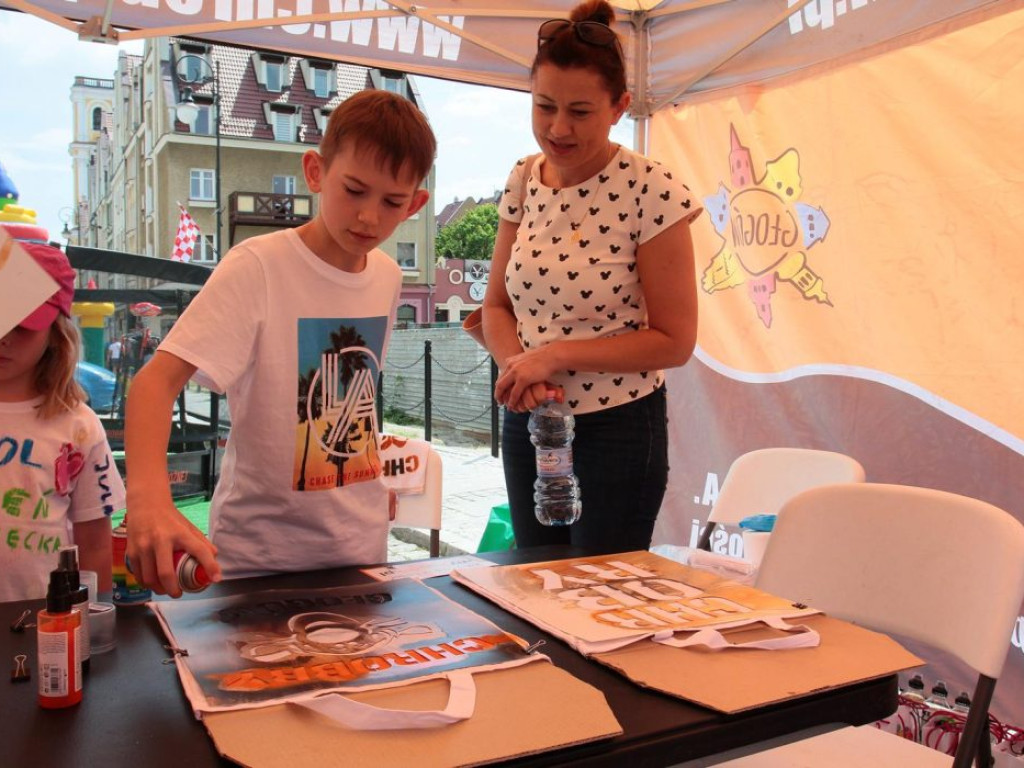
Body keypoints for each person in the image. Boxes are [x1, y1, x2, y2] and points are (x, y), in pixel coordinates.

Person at [124, 90, 435, 596]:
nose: (368, 217)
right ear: (315, 172)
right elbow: (154, 386)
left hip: (361, 548)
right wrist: (149, 500)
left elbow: (354, 388)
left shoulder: (386, 274)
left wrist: (366, 471)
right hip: (259, 560)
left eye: (392, 202)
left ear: (415, 205)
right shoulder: (258, 266)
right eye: (353, 190)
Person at [481, 0, 702, 554]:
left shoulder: (651, 190)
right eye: (544, 107)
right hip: (531, 420)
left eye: (579, 111)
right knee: (529, 585)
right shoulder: (522, 179)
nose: (558, 128)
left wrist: (554, 355)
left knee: (602, 600)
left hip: (619, 427)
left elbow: (674, 342)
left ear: (620, 107)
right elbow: (495, 308)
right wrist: (522, 370)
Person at [0, 241, 124, 602]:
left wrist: (95, 622)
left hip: (48, 620)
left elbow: (95, 543)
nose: (4, 337)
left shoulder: (79, 426)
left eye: (21, 324)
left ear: (55, 334)